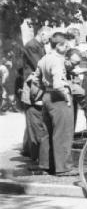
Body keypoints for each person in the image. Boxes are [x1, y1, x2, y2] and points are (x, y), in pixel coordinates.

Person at [32, 32, 77, 176]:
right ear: (58, 45)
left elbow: (35, 80)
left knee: (47, 133)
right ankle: (63, 168)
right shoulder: (57, 60)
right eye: (65, 45)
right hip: (59, 98)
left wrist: (42, 92)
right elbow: (58, 84)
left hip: (47, 96)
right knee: (63, 133)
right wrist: (67, 97)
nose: (67, 47)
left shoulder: (44, 58)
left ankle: (46, 166)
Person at [21, 26, 51, 157]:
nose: (48, 40)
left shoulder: (39, 45)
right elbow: (39, 64)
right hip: (32, 82)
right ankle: (31, 151)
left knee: (32, 118)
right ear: (42, 34)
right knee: (33, 115)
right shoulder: (32, 45)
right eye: (48, 37)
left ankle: (28, 149)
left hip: (35, 81)